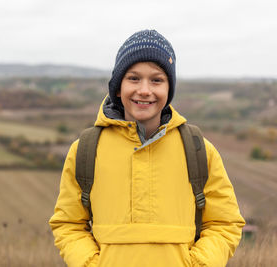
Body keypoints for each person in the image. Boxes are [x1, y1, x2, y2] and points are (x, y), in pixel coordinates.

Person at [49, 29, 245, 267]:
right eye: (133, 78)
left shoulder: (198, 150)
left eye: (156, 80)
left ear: (169, 90)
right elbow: (68, 225)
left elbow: (225, 223)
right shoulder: (86, 150)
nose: (144, 90)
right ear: (118, 88)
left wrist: (198, 264)